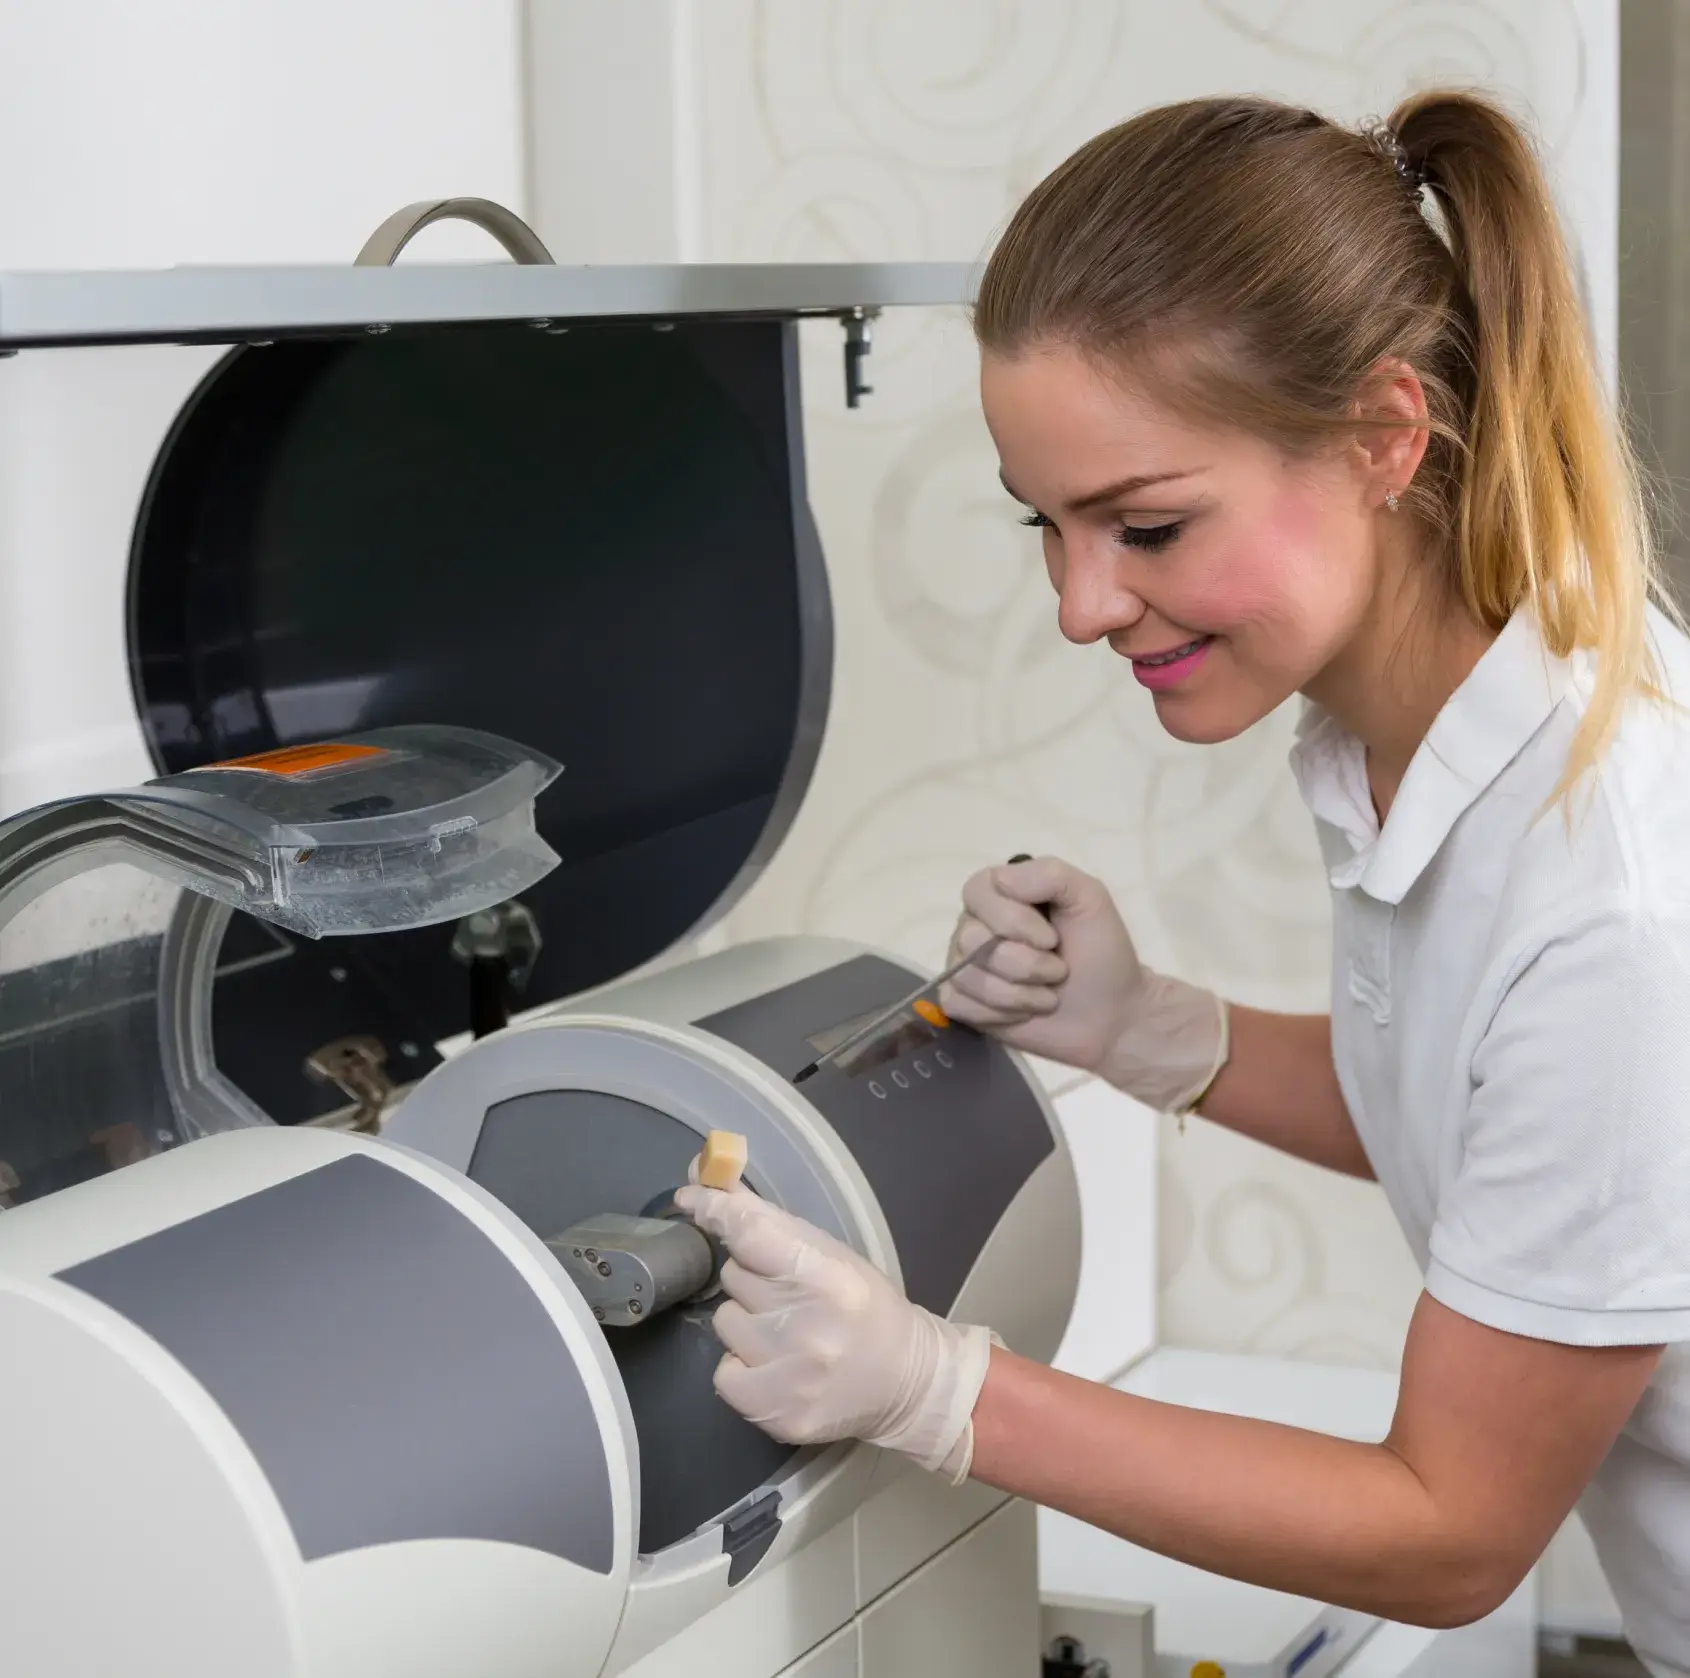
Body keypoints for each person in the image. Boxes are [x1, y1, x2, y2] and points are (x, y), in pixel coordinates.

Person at [673, 89, 1690, 1676]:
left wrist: (940, 1389)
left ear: (1384, 439)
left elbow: (1450, 1530)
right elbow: (1502, 1126)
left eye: (1144, 524)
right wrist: (1151, 1028)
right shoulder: (1425, 731)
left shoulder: (1611, 888)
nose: (1083, 605)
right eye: (1048, 526)